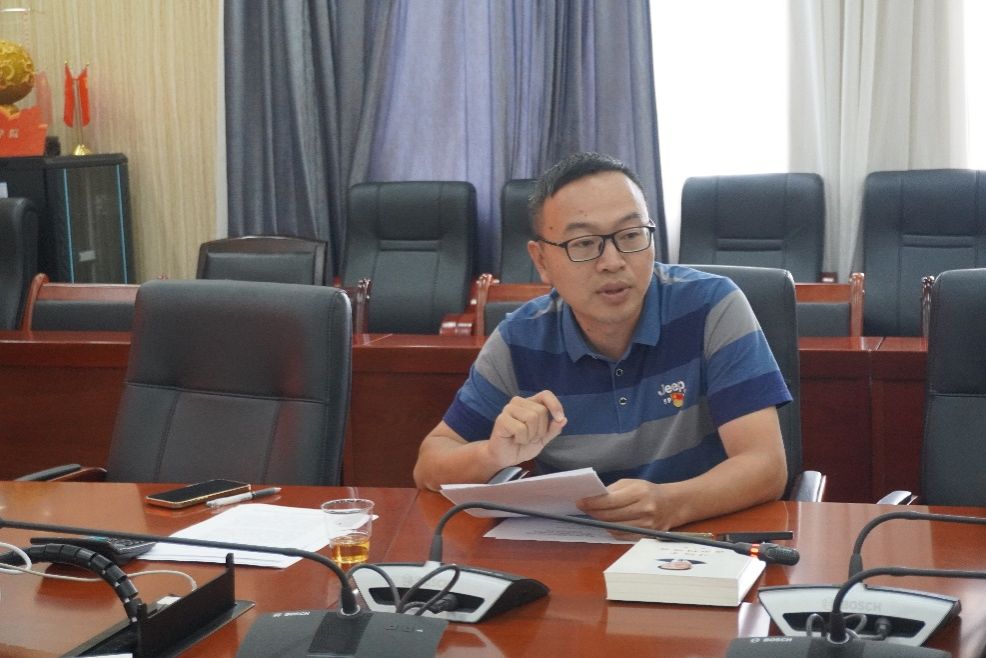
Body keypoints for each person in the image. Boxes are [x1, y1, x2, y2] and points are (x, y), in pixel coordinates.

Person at [413, 152, 790, 531]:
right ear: (541, 261)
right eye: (584, 243)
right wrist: (493, 454)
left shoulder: (711, 306)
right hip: (574, 545)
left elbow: (766, 465)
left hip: (697, 538)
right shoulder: (520, 339)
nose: (612, 261)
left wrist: (672, 504)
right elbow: (430, 463)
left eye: (630, 235)